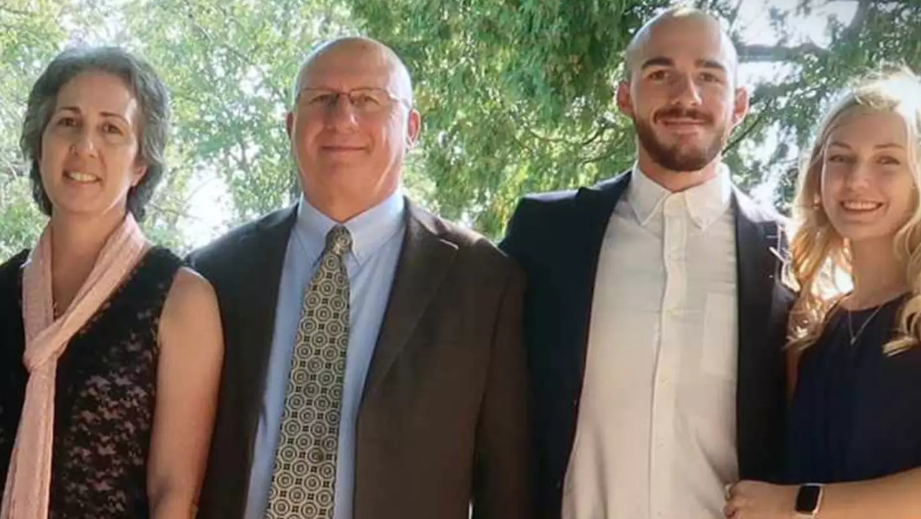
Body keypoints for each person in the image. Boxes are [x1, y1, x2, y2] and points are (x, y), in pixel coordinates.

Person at [190, 37, 529, 519]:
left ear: (411, 127)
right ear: (291, 126)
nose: (342, 118)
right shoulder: (216, 273)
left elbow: (507, 485)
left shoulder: (482, 281)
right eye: (321, 99)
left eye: (368, 100)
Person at [500, 7, 793, 519]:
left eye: (709, 75)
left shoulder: (790, 251)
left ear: (740, 103)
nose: (686, 96)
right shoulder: (545, 235)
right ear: (624, 95)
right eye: (660, 74)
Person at [0, 47, 224, 518]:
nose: (84, 146)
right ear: (39, 144)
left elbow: (174, 494)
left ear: (141, 163)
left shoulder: (179, 299)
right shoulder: (3, 289)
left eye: (111, 128)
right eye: (67, 122)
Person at [724, 71, 921, 519]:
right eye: (840, 158)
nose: (856, 180)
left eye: (888, 161)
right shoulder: (815, 330)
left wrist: (799, 504)